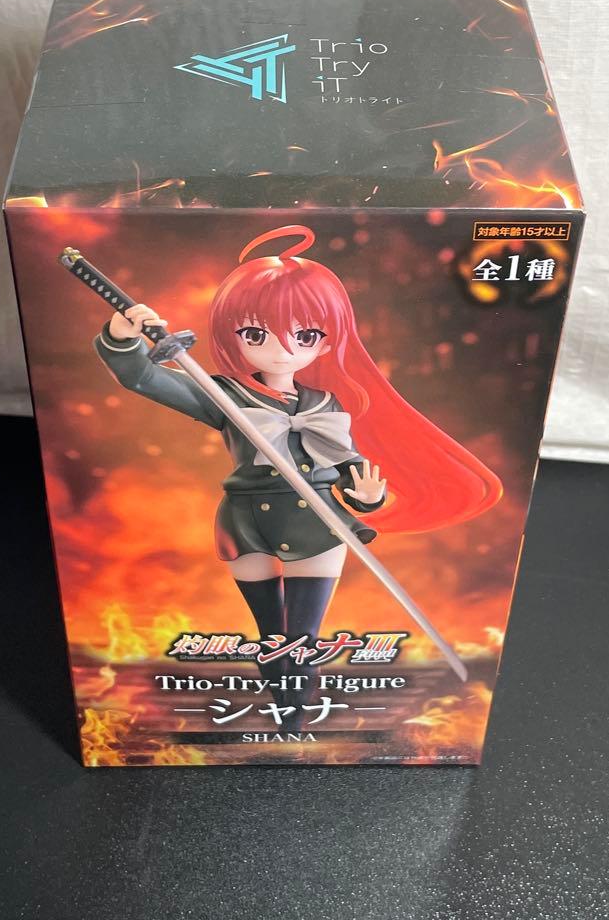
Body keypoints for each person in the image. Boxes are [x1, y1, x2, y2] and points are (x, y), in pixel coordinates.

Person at [95, 225, 501, 711]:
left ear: (325, 343)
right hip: (246, 521)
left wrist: (369, 497)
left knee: (302, 636)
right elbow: (142, 377)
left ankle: (296, 717)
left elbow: (348, 465)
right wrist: (122, 337)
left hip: (317, 521)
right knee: (271, 633)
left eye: (305, 335)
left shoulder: (326, 403)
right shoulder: (224, 395)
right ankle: (283, 712)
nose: (282, 348)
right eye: (256, 334)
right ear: (234, 336)